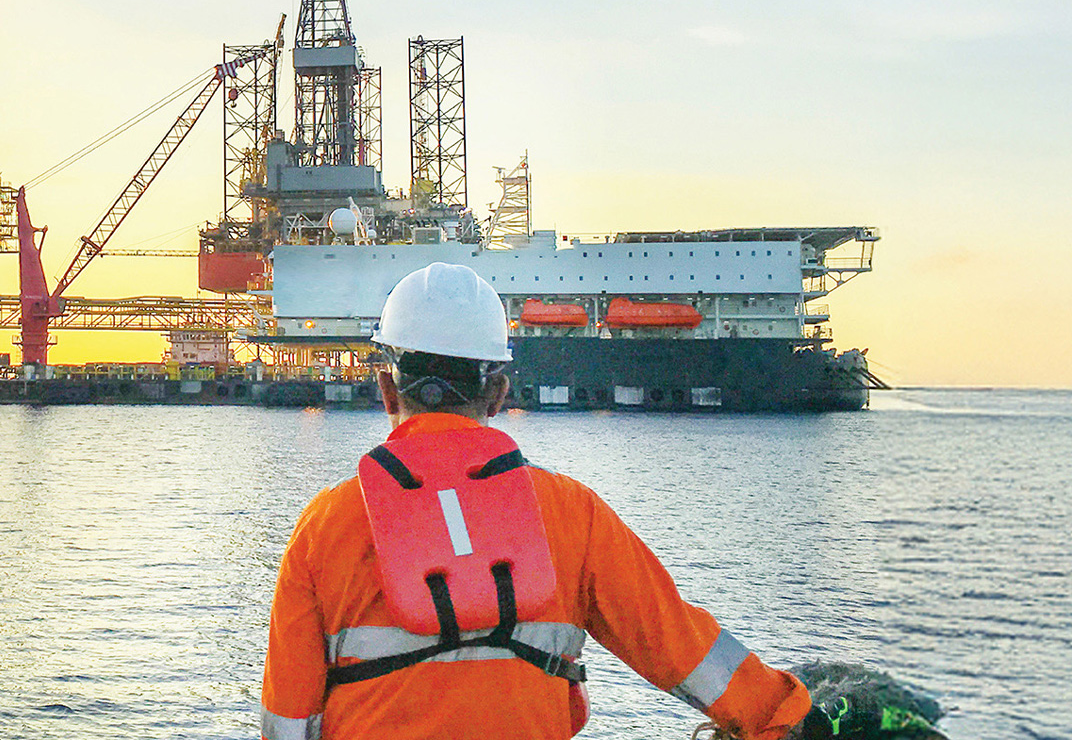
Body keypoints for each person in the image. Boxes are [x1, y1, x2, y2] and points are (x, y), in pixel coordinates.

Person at [260, 262, 818, 740]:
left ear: (386, 390)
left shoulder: (323, 528)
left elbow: (286, 722)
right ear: (499, 393)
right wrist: (787, 713)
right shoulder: (573, 514)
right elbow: (682, 647)